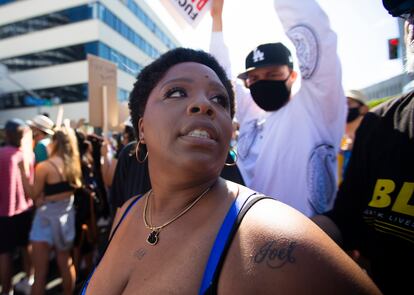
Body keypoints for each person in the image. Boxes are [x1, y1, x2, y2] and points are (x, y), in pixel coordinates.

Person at [80, 47, 381, 294]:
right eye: (176, 92)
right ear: (141, 127)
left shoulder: (272, 239)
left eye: (219, 99)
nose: (203, 105)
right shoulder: (128, 212)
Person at [312, 1, 414, 294]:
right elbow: (344, 217)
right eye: (407, 13)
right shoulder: (380, 124)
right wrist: (279, 237)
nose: (411, 23)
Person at [209, 0, 346, 217]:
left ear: (293, 75)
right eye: (253, 78)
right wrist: (217, 18)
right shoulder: (251, 114)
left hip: (306, 242)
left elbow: (314, 34)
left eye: (272, 74)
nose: (262, 82)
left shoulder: (316, 107)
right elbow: (220, 75)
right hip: (246, 237)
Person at [18, 125, 82, 295]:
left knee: (40, 272)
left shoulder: (45, 167)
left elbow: (32, 193)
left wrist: (22, 173)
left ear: (55, 142)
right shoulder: (74, 165)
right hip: (65, 218)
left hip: (46, 218)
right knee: (65, 262)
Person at [0, 119, 34, 295]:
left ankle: (7, 290)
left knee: (4, 253)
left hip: (3, 213)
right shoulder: (28, 154)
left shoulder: (1, 154)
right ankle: (29, 279)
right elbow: (31, 185)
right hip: (25, 209)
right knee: (25, 246)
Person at [338, 89, 369, 183]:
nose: (343, 107)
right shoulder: (335, 139)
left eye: (348, 103)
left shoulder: (371, 136)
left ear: (363, 109)